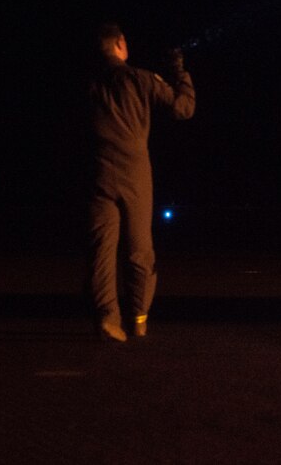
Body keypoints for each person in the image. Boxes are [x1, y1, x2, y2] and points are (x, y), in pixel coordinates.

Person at [88, 22, 195, 341]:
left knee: (102, 250)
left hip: (97, 172)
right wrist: (179, 72)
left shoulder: (89, 83)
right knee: (139, 249)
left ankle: (108, 316)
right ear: (120, 43)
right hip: (134, 173)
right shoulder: (140, 78)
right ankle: (138, 316)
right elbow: (183, 108)